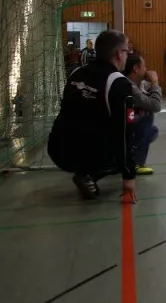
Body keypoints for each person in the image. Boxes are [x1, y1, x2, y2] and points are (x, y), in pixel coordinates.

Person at [48, 30, 137, 202]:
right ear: (119, 54)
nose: (128, 55)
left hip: (58, 150)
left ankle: (84, 172)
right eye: (127, 51)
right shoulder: (118, 82)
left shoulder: (76, 73)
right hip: (90, 154)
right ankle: (90, 174)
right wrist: (129, 176)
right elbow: (124, 132)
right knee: (135, 129)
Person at [124, 53, 162, 175]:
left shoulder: (137, 83)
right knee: (147, 115)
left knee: (153, 131)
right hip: (120, 125)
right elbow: (155, 106)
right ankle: (136, 163)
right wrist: (155, 82)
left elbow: (149, 93)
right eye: (144, 66)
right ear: (136, 68)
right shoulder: (128, 86)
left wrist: (152, 86)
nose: (146, 69)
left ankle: (128, 156)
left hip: (126, 121)